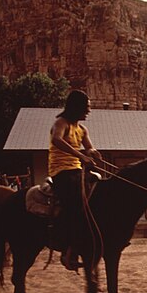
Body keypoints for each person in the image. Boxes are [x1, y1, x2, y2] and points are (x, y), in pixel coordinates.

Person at [48, 89, 103, 270]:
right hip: (61, 171)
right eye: (86, 107)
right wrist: (80, 155)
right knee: (77, 202)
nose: (89, 111)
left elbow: (89, 148)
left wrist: (93, 154)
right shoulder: (61, 123)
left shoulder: (82, 129)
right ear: (77, 107)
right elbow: (56, 140)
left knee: (100, 188)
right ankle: (68, 250)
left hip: (77, 171)